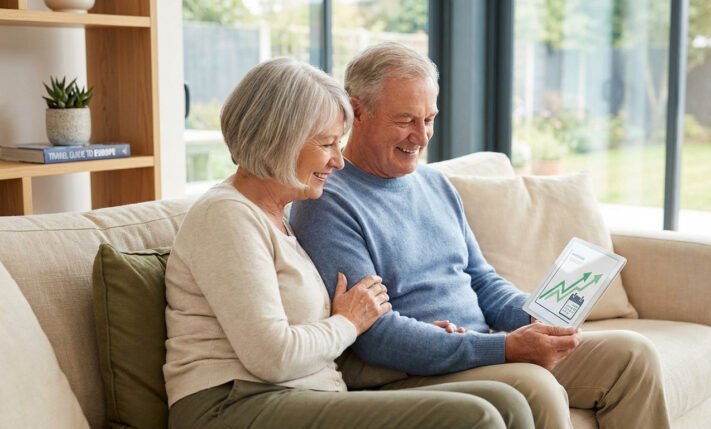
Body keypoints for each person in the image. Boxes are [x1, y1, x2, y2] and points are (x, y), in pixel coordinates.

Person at [290, 42, 671, 429]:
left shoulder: (435, 184)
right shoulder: (327, 202)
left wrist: (539, 311)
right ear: (358, 112)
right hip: (411, 374)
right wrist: (504, 348)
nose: (421, 137)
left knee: (633, 355)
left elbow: (481, 280)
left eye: (429, 118)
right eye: (405, 120)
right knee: (535, 385)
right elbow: (376, 335)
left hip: (479, 347)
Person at [163, 57, 534, 429]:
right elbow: (274, 356)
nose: (339, 161)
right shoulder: (226, 216)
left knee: (508, 403)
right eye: (327, 144)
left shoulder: (279, 218)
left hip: (298, 394)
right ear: (281, 142)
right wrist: (349, 322)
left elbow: (319, 343)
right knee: (478, 417)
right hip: (231, 404)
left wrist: (428, 339)